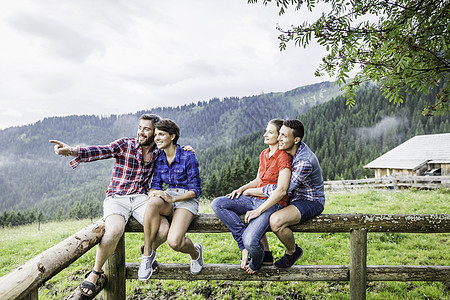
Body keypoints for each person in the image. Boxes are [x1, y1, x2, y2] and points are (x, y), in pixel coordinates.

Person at [50, 114, 171, 298]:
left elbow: (175, 151)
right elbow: (101, 150)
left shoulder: (158, 151)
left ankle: (148, 251)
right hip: (117, 197)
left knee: (163, 229)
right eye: (140, 127)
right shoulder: (125, 144)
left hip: (141, 198)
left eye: (146, 129)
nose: (141, 132)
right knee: (114, 231)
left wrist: (187, 150)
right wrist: (71, 151)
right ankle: (96, 272)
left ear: (155, 132)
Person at [211, 119, 292, 274]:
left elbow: (281, 190)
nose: (265, 134)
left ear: (279, 136)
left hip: (272, 204)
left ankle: (256, 262)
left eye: (270, 132)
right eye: (266, 131)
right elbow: (258, 180)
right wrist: (241, 189)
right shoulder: (264, 154)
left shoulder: (284, 157)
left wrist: (258, 211)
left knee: (251, 241)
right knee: (218, 203)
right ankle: (243, 243)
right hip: (253, 198)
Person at [138, 119, 203, 281]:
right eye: (156, 135)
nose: (157, 138)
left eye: (161, 134)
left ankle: (195, 253)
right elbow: (156, 185)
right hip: (169, 196)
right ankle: (147, 255)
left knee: (175, 242)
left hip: (185, 199)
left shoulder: (188, 156)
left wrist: (172, 199)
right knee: (153, 202)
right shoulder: (159, 157)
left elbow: (195, 191)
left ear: (172, 136)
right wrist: (154, 192)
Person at [265, 119, 325, 268]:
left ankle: (292, 251)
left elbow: (283, 188)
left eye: (284, 136)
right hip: (292, 197)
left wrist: (258, 190)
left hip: (310, 200)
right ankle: (264, 254)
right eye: (280, 134)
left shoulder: (305, 161)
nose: (279, 138)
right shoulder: (288, 149)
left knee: (275, 221)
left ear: (296, 139)